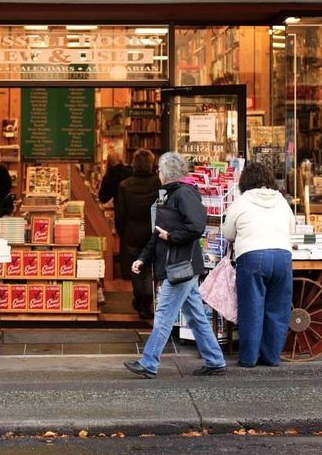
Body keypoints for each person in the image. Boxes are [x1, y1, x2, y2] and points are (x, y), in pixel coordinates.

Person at [124, 152, 226, 378]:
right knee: (196, 316)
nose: (158, 174)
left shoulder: (183, 195)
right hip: (180, 265)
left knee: (164, 314)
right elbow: (157, 233)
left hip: (180, 266)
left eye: (159, 170)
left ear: (166, 173)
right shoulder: (169, 195)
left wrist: (171, 237)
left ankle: (149, 362)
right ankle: (215, 359)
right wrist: (143, 258)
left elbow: (196, 226)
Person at [221, 162, 296, 368]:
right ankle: (271, 357)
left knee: (251, 308)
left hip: (252, 257)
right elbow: (292, 226)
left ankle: (249, 358)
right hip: (282, 256)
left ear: (245, 181)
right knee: (278, 309)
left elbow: (228, 233)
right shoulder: (281, 201)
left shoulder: (241, 202)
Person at [114, 149, 160, 318]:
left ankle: (141, 300)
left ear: (134, 164)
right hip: (152, 233)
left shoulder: (125, 185)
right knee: (148, 268)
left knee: (136, 269)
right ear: (151, 164)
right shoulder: (158, 184)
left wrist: (123, 234)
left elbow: (120, 215)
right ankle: (146, 300)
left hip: (132, 234)